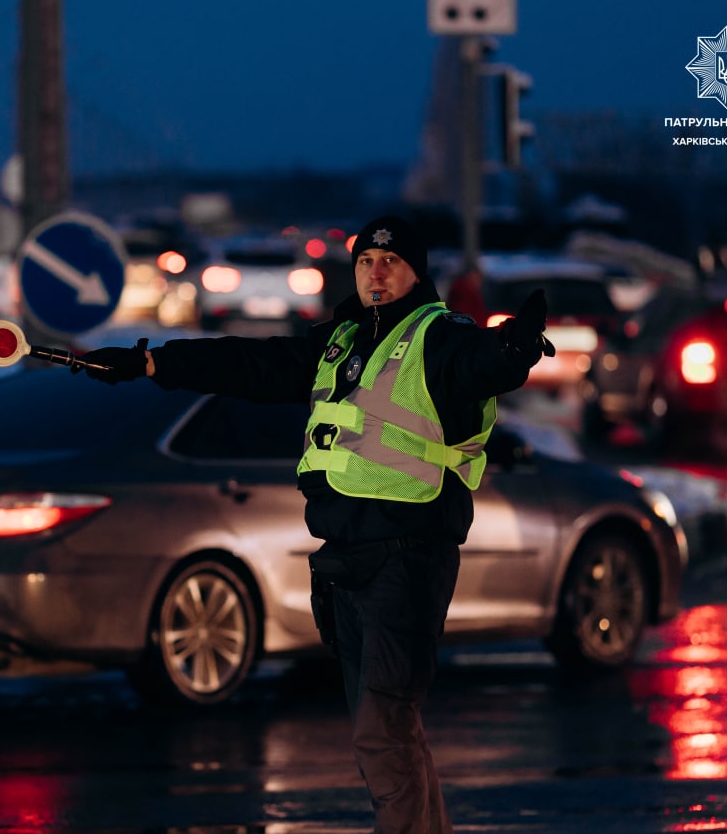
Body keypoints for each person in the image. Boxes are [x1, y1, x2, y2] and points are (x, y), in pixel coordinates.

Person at [73, 215, 553, 834]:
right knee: (392, 729)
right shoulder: (341, 341)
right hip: (345, 555)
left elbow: (477, 365)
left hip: (408, 557)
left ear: (416, 272)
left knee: (382, 731)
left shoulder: (440, 336)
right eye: (364, 263)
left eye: (390, 262)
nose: (375, 273)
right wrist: (152, 365)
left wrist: (509, 349)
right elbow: (251, 364)